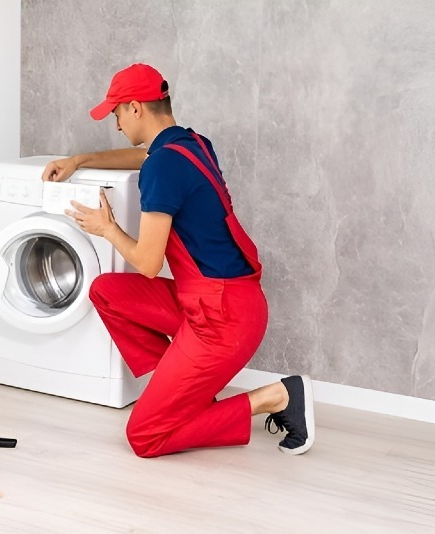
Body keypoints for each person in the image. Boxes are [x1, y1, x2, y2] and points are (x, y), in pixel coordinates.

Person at [41, 63, 315, 457]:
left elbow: (148, 264)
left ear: (135, 108)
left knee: (145, 437)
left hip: (221, 320)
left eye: (116, 113)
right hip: (217, 302)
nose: (116, 124)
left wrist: (107, 228)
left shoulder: (162, 166)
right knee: (105, 291)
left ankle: (276, 396)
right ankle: (178, 391)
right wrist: (80, 159)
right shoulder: (192, 144)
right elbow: (145, 159)